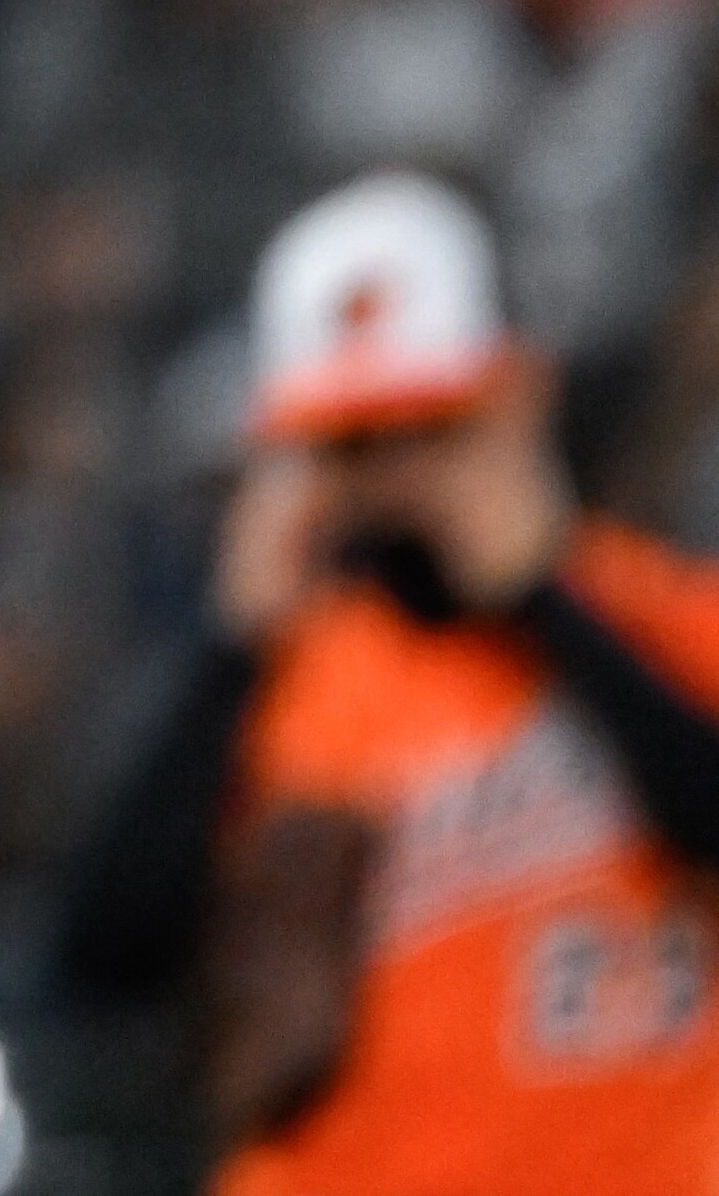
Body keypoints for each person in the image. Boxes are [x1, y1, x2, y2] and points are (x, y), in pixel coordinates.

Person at [56, 170, 719, 1193]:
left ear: (517, 395)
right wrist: (230, 654)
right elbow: (102, 961)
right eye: (351, 444)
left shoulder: (664, 615)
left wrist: (543, 602)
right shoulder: (271, 691)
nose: (399, 476)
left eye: (430, 423)